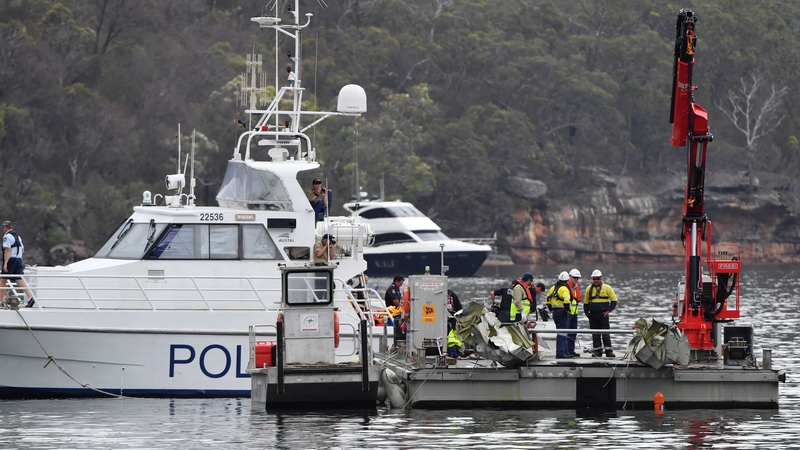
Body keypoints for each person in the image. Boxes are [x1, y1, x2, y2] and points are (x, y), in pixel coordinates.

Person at [583, 269, 618, 357]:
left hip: (603, 315)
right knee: (595, 334)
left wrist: (608, 311)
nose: (596, 281)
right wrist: (587, 314)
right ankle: (597, 351)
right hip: (593, 315)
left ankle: (608, 351)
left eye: (597, 279)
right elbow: (586, 303)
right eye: (594, 279)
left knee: (605, 333)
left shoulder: (607, 288)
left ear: (601, 279)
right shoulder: (588, 289)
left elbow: (614, 300)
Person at [1, 221, 34, 307]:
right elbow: (22, 250)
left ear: (5, 228)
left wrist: (6, 263)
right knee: (18, 278)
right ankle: (30, 297)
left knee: (3, 279)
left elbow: (8, 249)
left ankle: (1, 301)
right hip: (19, 259)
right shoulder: (18, 237)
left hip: (11, 259)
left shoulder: (7, 236)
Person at [546, 271, 573, 358]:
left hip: (555, 313)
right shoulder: (564, 289)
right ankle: (561, 353)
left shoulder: (553, 288)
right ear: (567, 280)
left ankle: (564, 352)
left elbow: (547, 299)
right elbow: (566, 300)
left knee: (560, 332)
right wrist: (567, 309)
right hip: (562, 313)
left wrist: (551, 309)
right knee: (562, 333)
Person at [385, 274, 405, 345]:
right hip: (392, 312)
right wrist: (402, 306)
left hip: (396, 312)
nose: (401, 285)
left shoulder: (397, 288)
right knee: (392, 325)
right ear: (396, 281)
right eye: (400, 283)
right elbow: (395, 301)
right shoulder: (392, 289)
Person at [566, 268, 582, 357]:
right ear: (570, 277)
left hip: (574, 313)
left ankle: (571, 350)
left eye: (577, 278)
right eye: (574, 277)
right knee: (567, 333)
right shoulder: (566, 287)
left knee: (573, 333)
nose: (576, 279)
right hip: (568, 314)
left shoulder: (576, 288)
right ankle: (566, 350)